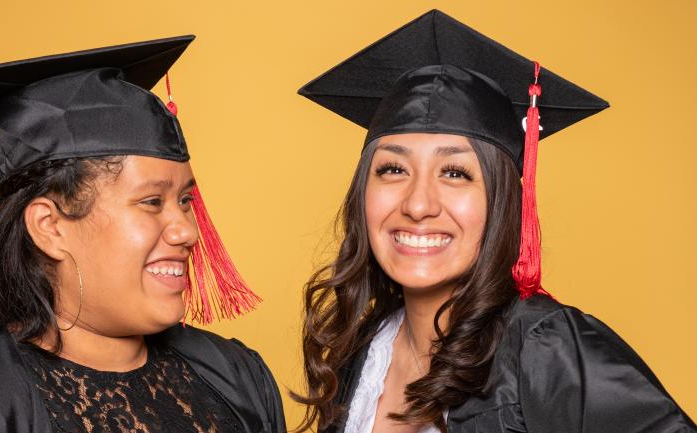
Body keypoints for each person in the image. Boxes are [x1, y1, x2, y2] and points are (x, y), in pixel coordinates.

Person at [292, 10, 696, 433]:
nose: (417, 204)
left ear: (501, 201)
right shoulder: (362, 355)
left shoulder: (542, 348)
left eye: (455, 173)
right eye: (393, 169)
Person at [0, 36, 285, 433]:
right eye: (152, 201)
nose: (188, 230)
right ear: (50, 227)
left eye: (185, 200)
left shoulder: (235, 377)